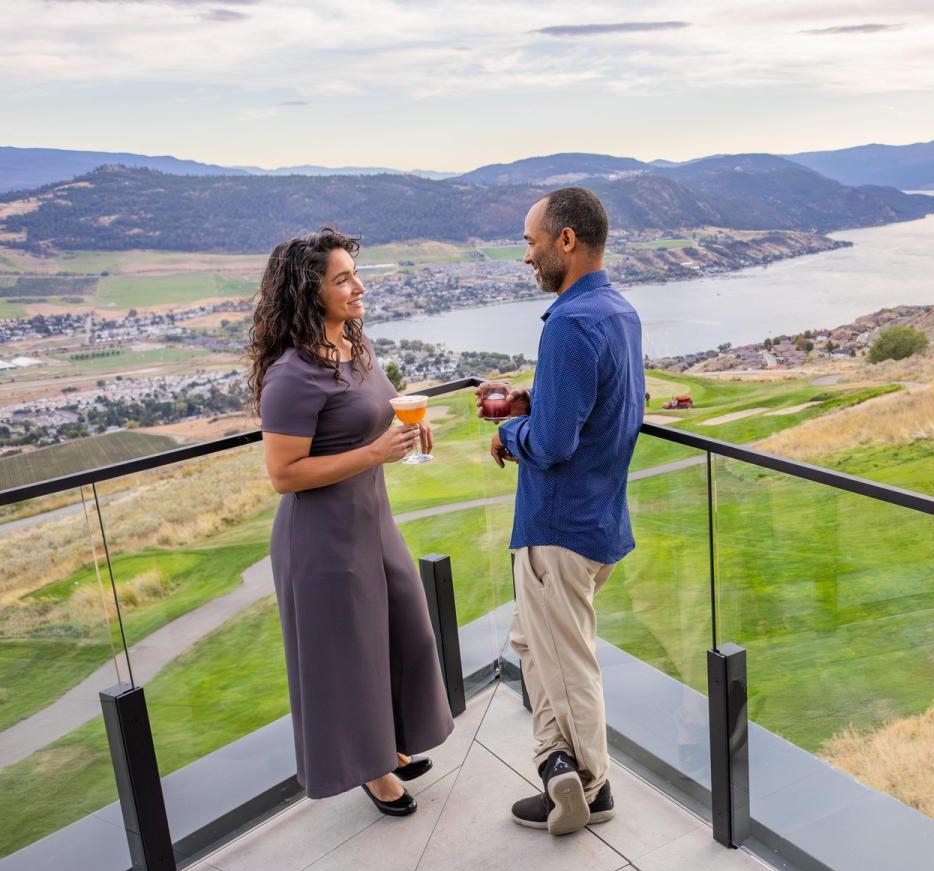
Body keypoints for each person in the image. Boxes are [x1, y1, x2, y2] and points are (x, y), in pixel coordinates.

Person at [248, 228, 453, 817]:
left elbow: (376, 415)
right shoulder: (291, 374)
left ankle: (389, 743)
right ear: (307, 293)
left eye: (355, 274)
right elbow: (284, 475)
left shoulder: (356, 350)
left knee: (403, 634)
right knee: (350, 656)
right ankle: (374, 770)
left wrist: (411, 432)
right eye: (342, 280)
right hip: (322, 540)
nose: (358, 287)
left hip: (373, 522)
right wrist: (374, 454)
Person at [485, 188, 645, 835]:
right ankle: (558, 768)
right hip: (599, 520)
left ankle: (595, 787)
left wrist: (508, 435)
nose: (527, 256)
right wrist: (530, 400)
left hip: (559, 527)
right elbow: (602, 405)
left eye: (531, 241)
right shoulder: (618, 313)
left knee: (568, 659)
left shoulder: (572, 323)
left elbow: (551, 443)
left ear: (566, 240)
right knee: (535, 644)